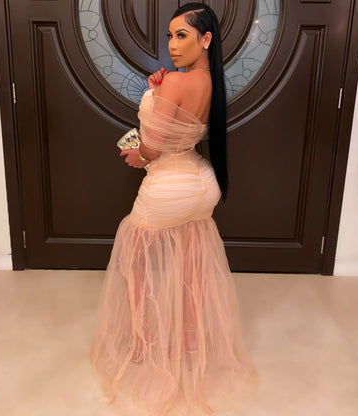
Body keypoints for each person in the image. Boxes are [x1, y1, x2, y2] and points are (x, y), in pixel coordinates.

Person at [90, 3, 258, 415]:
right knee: (192, 257)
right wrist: (158, 89)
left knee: (134, 258)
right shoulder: (209, 82)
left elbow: (154, 142)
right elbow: (181, 123)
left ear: (206, 39)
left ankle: (144, 339)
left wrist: (139, 156)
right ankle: (190, 337)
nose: (172, 44)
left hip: (170, 184)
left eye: (182, 35)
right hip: (202, 182)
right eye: (170, 35)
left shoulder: (178, 83)